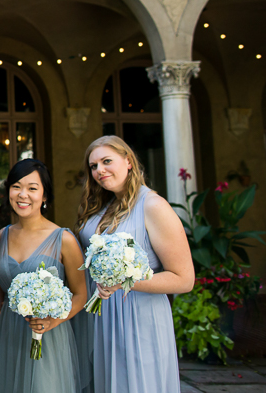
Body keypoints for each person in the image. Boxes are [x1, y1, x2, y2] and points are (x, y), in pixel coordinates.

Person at [74, 135, 193, 392]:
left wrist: (125, 282)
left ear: (128, 161)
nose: (99, 170)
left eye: (107, 161)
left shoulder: (153, 205)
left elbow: (184, 279)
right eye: (93, 166)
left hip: (139, 319)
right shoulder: (103, 206)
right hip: (101, 318)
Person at [0, 159, 87, 393]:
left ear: (44, 196)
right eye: (16, 187)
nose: (23, 195)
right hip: (9, 333)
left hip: (48, 334)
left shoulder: (63, 239)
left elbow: (81, 295)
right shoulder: (3, 236)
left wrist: (52, 321)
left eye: (32, 188)